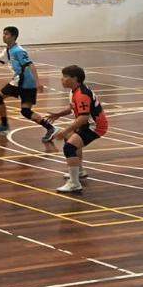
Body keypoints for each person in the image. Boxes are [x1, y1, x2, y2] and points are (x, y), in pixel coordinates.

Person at [0, 25, 56, 142]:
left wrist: (38, 82)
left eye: (6, 34)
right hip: (20, 81)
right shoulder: (8, 50)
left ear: (13, 36)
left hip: (24, 81)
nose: (3, 36)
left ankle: (5, 124)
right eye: (3, 33)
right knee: (25, 111)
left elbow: (30, 65)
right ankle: (50, 128)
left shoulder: (18, 51)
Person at [43, 64, 107, 194]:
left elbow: (83, 117)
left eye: (65, 77)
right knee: (70, 140)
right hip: (87, 124)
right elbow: (73, 108)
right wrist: (58, 115)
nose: (62, 79)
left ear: (75, 78)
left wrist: (65, 131)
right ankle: (80, 171)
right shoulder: (74, 91)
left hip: (95, 126)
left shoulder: (81, 94)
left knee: (69, 147)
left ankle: (74, 183)